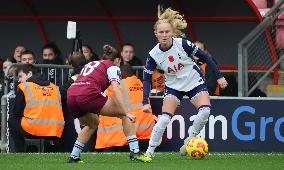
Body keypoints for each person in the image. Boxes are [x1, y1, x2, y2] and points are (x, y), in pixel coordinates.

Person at [142, 8, 228, 157]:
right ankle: (149, 153)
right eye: (161, 32)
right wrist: (145, 101)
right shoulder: (153, 55)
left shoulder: (183, 44)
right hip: (174, 87)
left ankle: (189, 139)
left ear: (172, 32)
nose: (164, 35)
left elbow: (206, 57)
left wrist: (219, 76)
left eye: (167, 32)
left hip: (194, 83)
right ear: (156, 34)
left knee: (205, 111)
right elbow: (147, 78)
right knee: (163, 120)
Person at [67, 44, 151, 163]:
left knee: (92, 124)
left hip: (72, 94)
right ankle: (135, 152)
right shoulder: (112, 66)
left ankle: (74, 156)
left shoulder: (91, 63)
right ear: (118, 60)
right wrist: (126, 111)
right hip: (88, 93)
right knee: (124, 115)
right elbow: (116, 88)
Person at [95, 65, 155, 152]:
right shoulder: (142, 85)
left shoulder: (116, 87)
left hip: (126, 137)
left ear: (120, 74)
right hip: (147, 135)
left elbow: (99, 99)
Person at [8, 64, 65, 152]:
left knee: (12, 120)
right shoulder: (55, 88)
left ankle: (19, 152)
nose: (19, 80)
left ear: (29, 74)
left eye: (20, 76)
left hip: (34, 130)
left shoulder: (25, 87)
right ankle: (52, 149)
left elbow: (17, 112)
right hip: (54, 132)